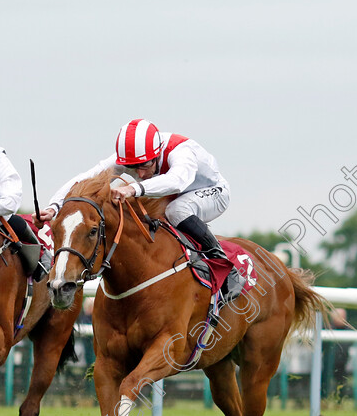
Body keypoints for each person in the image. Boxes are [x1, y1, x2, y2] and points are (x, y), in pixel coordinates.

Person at [36, 119, 237, 291]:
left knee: (176, 210)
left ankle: (223, 263)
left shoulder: (182, 152)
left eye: (145, 165)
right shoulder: (131, 157)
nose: (140, 174)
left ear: (157, 154)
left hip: (213, 193)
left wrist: (133, 189)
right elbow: (85, 178)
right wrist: (54, 207)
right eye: (133, 168)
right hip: (171, 195)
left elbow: (177, 181)